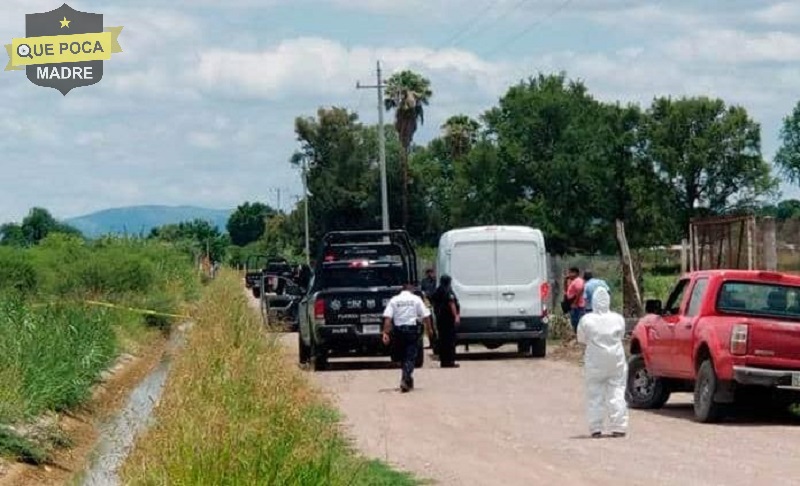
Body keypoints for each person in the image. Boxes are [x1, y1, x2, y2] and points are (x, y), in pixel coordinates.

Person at [576, 287, 628, 438]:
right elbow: (621, 336)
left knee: (595, 394)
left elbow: (581, 339)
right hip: (616, 360)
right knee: (617, 391)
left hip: (595, 361)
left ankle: (596, 428)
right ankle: (619, 426)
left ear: (592, 301)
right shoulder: (618, 318)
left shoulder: (586, 320)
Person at [382, 282, 433, 392]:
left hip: (398, 331)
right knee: (410, 357)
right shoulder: (416, 299)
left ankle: (407, 379)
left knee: (403, 357)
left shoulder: (394, 300)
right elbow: (426, 315)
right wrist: (429, 330)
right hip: (412, 331)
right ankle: (406, 379)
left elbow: (388, 318)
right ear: (411, 290)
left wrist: (385, 333)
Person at [430, 274, 460, 368]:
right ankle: (450, 361)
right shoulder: (448, 290)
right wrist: (456, 316)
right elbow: (451, 303)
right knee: (450, 341)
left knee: (442, 340)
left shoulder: (438, 290)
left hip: (440, 319)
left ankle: (443, 361)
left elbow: (432, 300)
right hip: (448, 319)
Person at [564, 267, 586, 332]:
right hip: (574, 306)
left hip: (577, 306)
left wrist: (575, 303)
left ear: (575, 273)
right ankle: (576, 335)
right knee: (574, 322)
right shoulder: (573, 281)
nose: (569, 274)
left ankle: (578, 335)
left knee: (577, 323)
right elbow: (566, 290)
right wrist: (565, 281)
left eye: (570, 273)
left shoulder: (578, 281)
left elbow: (580, 290)